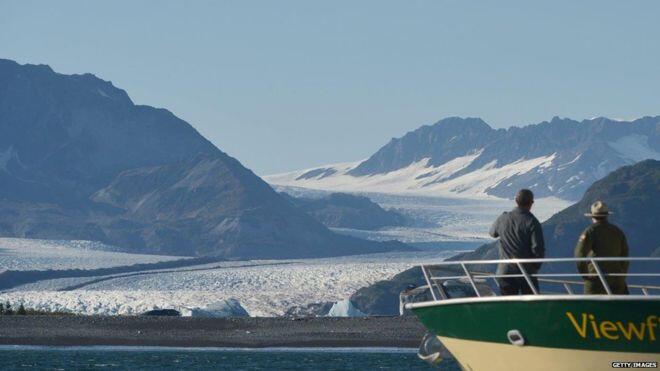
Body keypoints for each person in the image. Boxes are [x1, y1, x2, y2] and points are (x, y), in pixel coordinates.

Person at [489, 189, 545, 295]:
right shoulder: (532, 222)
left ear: (516, 200)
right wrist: (535, 266)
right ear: (531, 203)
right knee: (531, 307)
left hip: (504, 271)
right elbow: (538, 248)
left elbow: (492, 233)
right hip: (526, 272)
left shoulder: (503, 218)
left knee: (508, 307)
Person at [574, 201, 629, 295]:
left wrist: (585, 274)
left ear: (592, 216)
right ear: (607, 215)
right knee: (620, 306)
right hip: (617, 279)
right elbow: (625, 255)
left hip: (596, 278)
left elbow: (579, 254)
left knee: (592, 307)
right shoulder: (617, 231)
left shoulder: (590, 231)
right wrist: (621, 274)